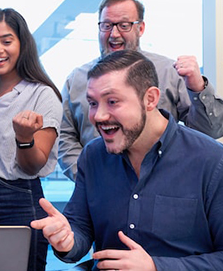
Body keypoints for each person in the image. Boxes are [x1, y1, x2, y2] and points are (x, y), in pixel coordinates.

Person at [31, 50, 223, 270]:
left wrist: (155, 266)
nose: (99, 116)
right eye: (93, 103)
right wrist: (67, 239)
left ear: (150, 99)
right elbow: (80, 230)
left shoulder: (211, 161)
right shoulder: (93, 155)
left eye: (112, 101)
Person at [59, 0, 223, 181]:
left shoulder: (169, 73)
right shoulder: (77, 79)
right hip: (99, 193)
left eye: (124, 25)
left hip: (163, 186)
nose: (114, 34)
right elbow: (65, 137)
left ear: (141, 28)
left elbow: (209, 132)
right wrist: (88, 177)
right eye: (106, 25)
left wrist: (198, 89)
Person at [0, 8, 63, 271]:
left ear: (22, 44)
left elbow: (34, 165)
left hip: (17, 199)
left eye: (7, 41)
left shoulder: (43, 95)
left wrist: (24, 138)